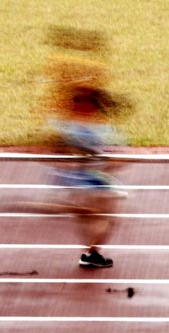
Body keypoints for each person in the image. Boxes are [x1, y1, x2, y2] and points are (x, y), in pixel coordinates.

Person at [41, 27, 133, 269]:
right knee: (106, 218)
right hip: (87, 180)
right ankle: (90, 250)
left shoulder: (76, 124)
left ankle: (90, 249)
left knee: (98, 217)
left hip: (83, 178)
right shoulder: (89, 129)